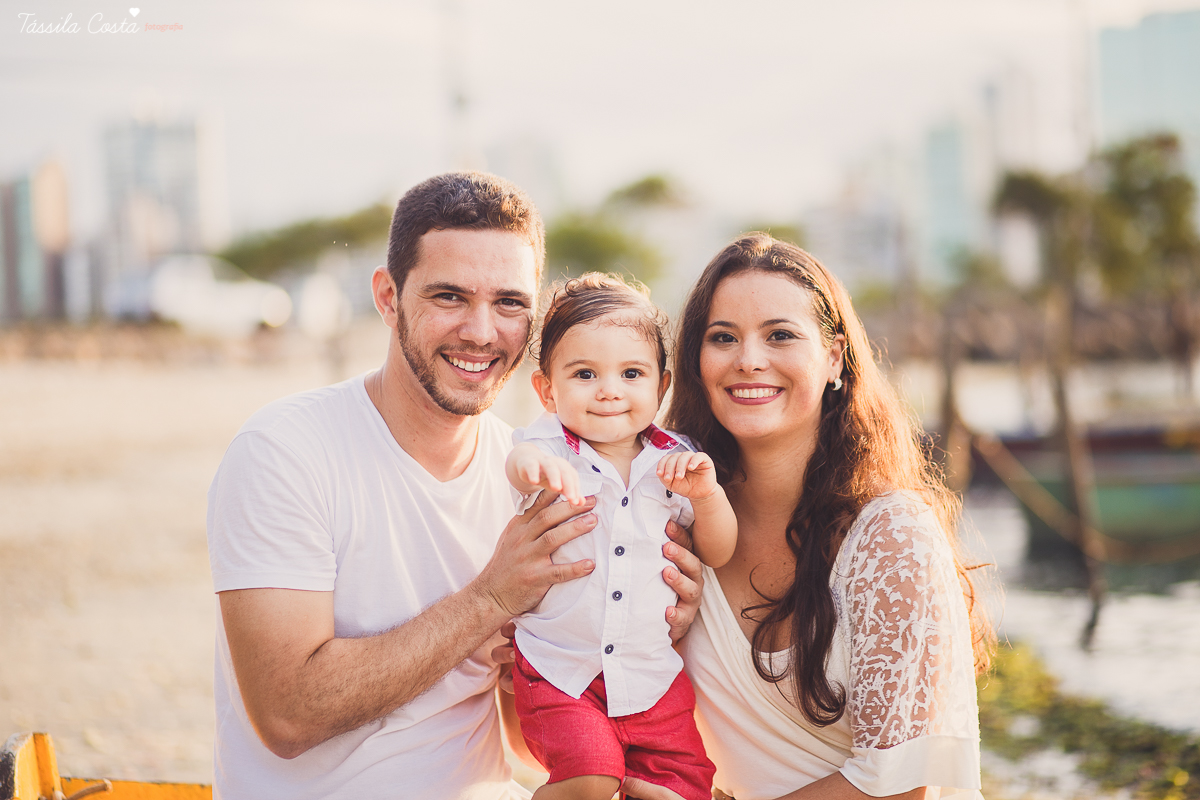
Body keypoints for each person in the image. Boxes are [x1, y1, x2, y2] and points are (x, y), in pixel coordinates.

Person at [205, 172, 702, 800]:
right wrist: (490, 601)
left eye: (510, 303)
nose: (481, 331)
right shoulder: (285, 452)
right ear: (388, 298)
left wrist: (622, 628)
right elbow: (287, 714)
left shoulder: (544, 470)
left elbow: (529, 743)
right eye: (449, 297)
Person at [624, 234, 994, 800]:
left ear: (834, 359)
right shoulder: (670, 518)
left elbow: (899, 788)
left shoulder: (891, 536)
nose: (749, 359)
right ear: (697, 364)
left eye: (780, 335)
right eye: (723, 337)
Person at [504, 274, 736, 800]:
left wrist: (706, 495)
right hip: (563, 672)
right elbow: (517, 465)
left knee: (686, 789)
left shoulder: (675, 459)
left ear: (662, 385)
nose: (609, 389)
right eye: (585, 374)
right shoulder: (548, 447)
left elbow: (719, 550)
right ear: (547, 389)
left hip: (651, 677)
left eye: (631, 373)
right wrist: (535, 468)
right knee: (590, 776)